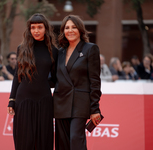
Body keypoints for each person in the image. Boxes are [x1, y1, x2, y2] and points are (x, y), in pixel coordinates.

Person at [7, 13, 58, 150]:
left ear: (46, 29)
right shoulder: (22, 49)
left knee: (43, 140)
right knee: (24, 140)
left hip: (45, 100)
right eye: (33, 27)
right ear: (29, 29)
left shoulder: (53, 51)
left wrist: (42, 84)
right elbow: (17, 76)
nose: (36, 30)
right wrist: (12, 99)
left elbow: (55, 78)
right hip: (23, 99)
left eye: (39, 27)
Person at [53, 15, 102, 150]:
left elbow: (95, 81)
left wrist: (95, 108)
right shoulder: (60, 52)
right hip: (61, 103)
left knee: (75, 139)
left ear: (80, 29)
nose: (70, 30)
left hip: (80, 103)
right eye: (67, 28)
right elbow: (55, 78)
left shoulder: (90, 49)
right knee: (62, 143)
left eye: (74, 27)